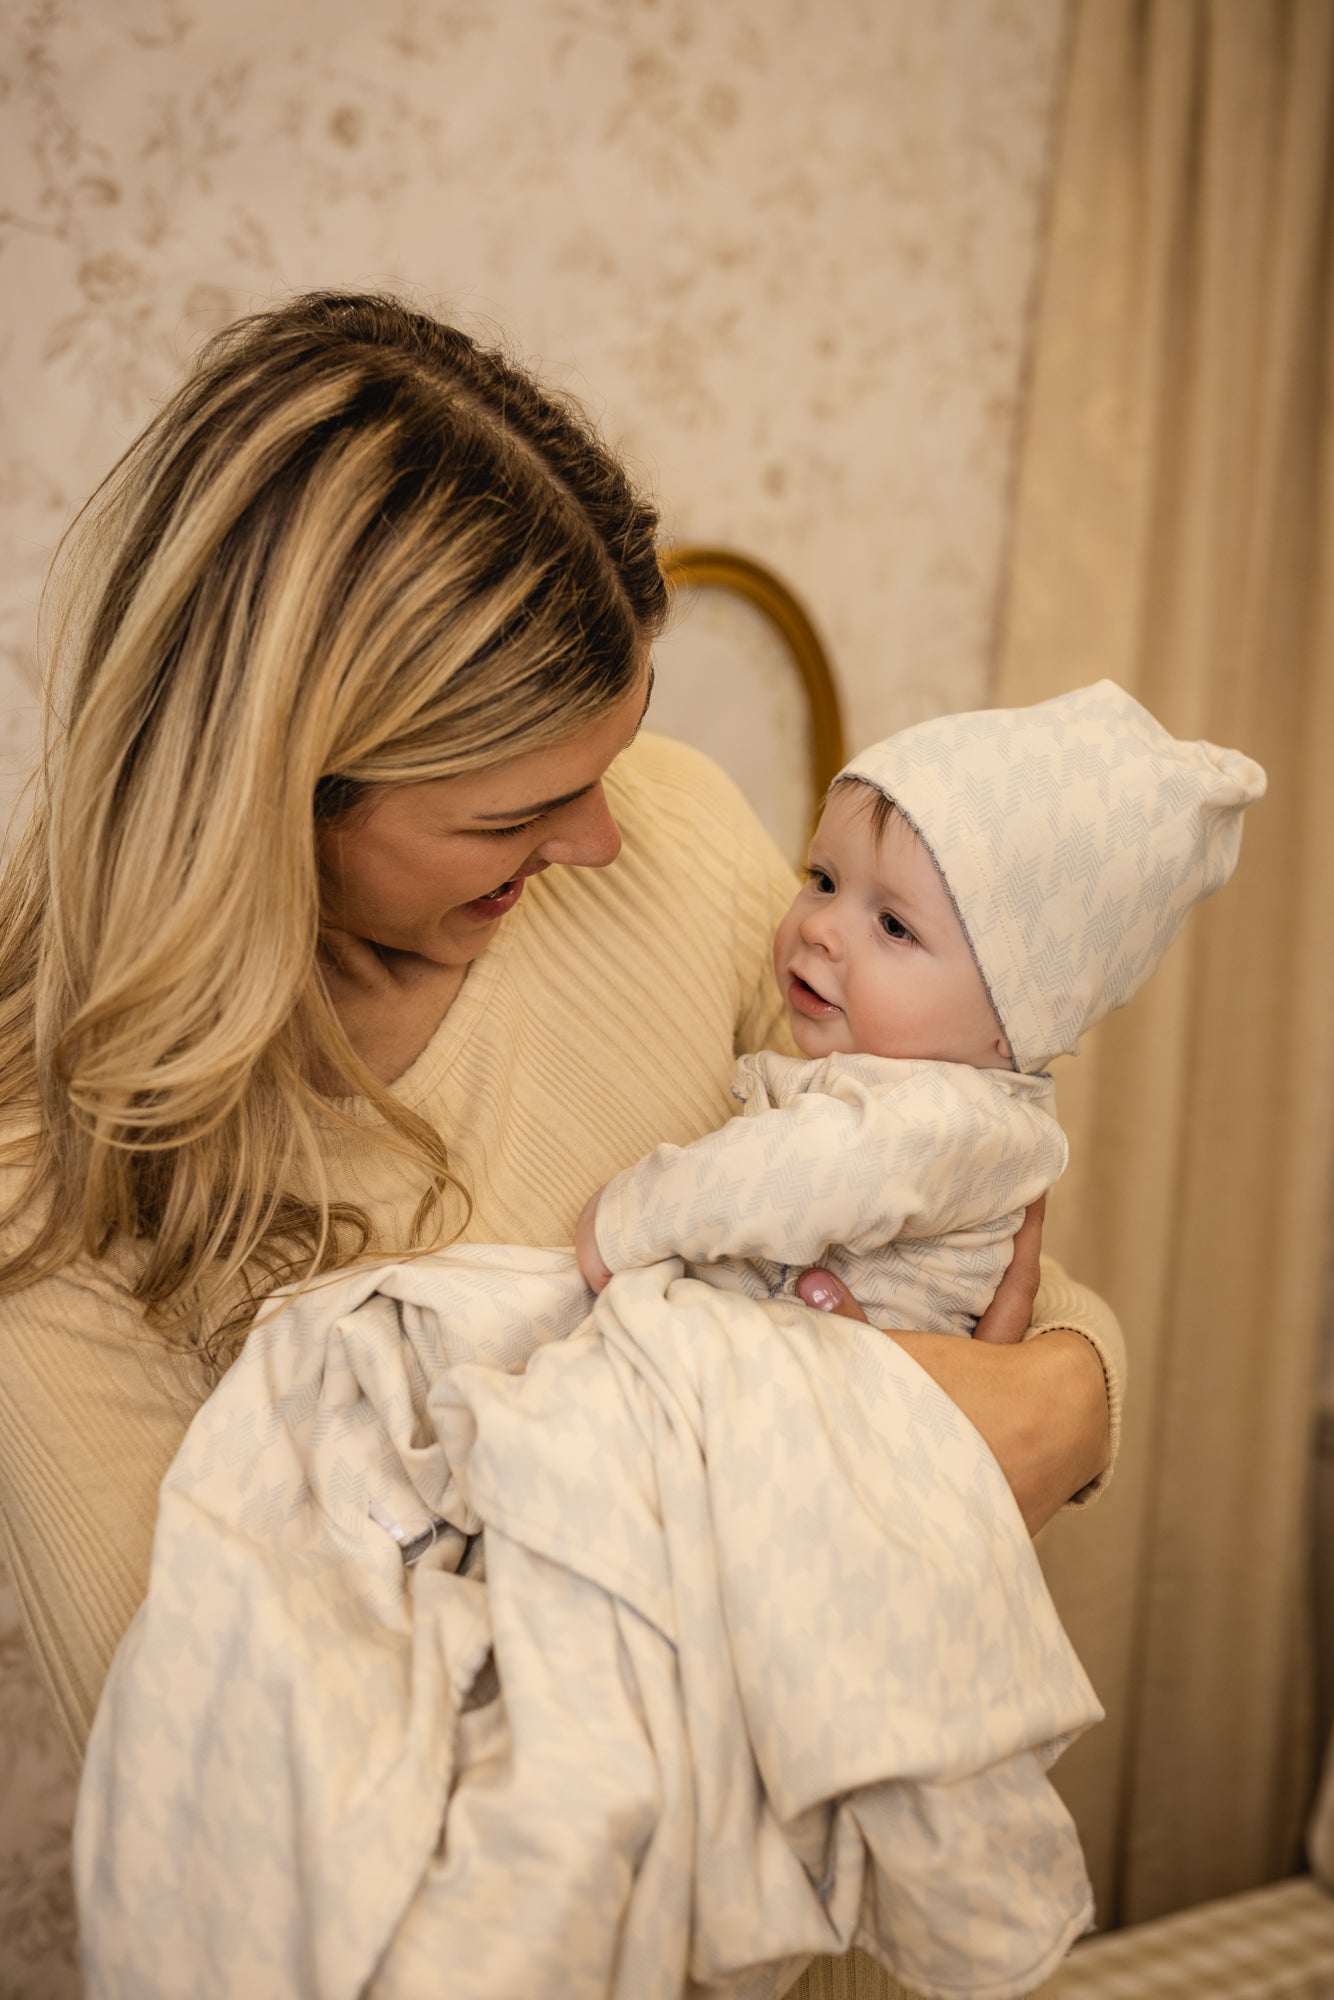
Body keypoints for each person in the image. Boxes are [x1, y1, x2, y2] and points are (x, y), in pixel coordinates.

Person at [0, 291, 1119, 1993]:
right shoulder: (53, 1184)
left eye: (614, 755)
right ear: (281, 794)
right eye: (516, 812)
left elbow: (992, 1260)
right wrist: (882, 1457)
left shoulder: (670, 837)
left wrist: (1067, 1404)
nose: (597, 839)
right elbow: (254, 1813)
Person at [576, 684, 1264, 1336]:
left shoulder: (966, 1122)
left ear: (1013, 1024)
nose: (819, 927)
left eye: (894, 927)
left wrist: (633, 1215)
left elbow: (809, 1171)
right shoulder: (913, 1090)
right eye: (823, 880)